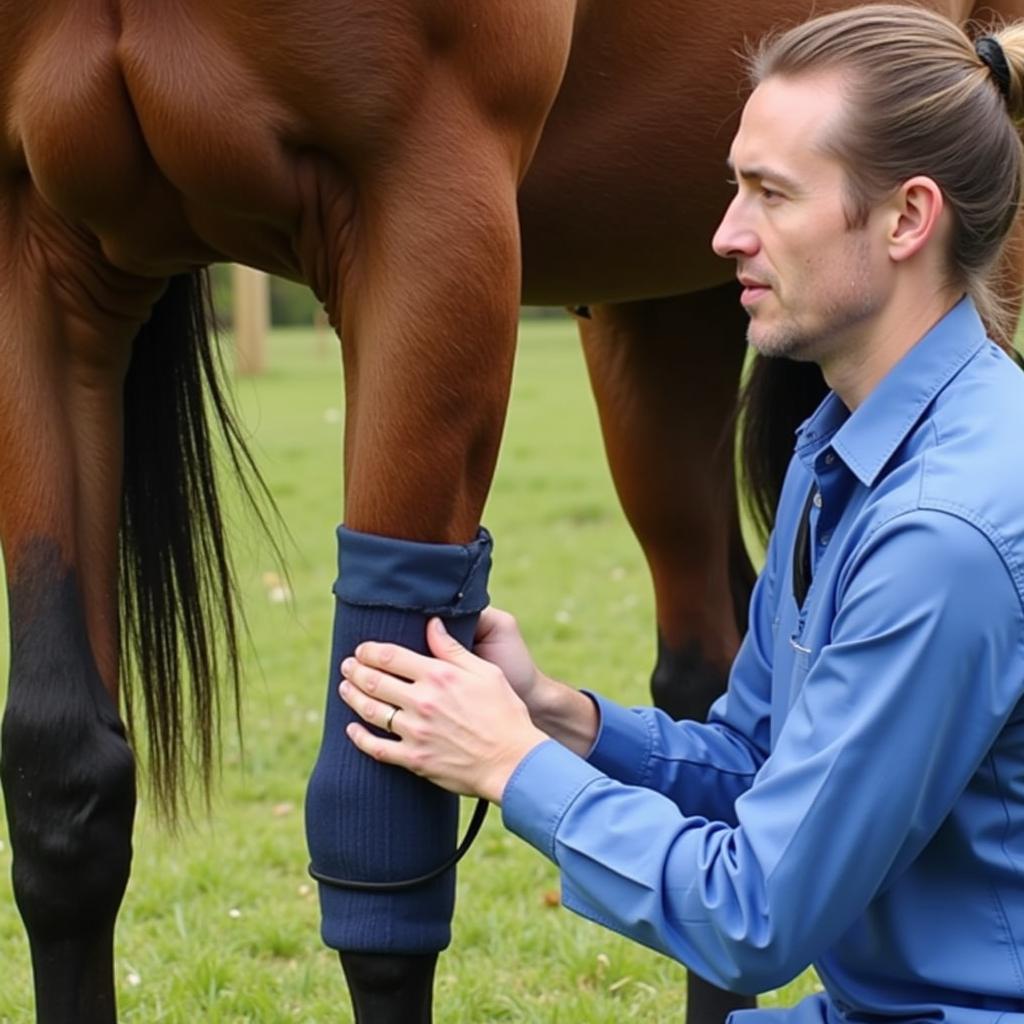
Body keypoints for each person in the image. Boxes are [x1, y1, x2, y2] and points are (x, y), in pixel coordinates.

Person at [338, 5, 1024, 1021]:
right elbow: (758, 763)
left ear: (905, 219)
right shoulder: (845, 447)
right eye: (732, 186)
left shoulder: (941, 537)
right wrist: (560, 718)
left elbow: (754, 916)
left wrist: (510, 765)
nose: (724, 234)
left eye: (770, 195)